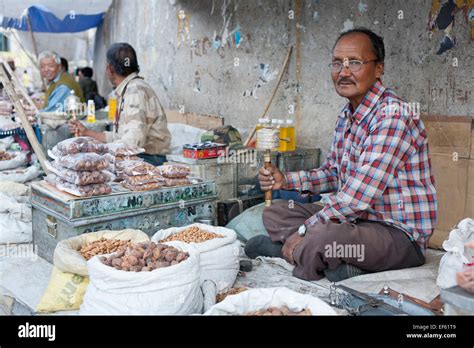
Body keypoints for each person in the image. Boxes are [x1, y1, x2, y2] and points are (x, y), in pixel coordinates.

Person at [248, 28, 437, 282]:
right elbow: (334, 173)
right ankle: (330, 260)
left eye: (355, 63)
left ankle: (299, 253)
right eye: (337, 63)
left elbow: (357, 199)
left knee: (326, 236)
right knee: (276, 212)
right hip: (357, 223)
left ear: (379, 68)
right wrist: (286, 181)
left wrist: (304, 230)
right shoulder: (347, 114)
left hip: (397, 235)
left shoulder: (393, 116)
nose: (343, 72)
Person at [69, 43, 171, 165]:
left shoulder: (135, 90)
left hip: (150, 159)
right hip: (140, 155)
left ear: (110, 68)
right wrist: (87, 133)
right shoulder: (129, 89)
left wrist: (99, 150)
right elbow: (119, 137)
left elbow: (131, 143)